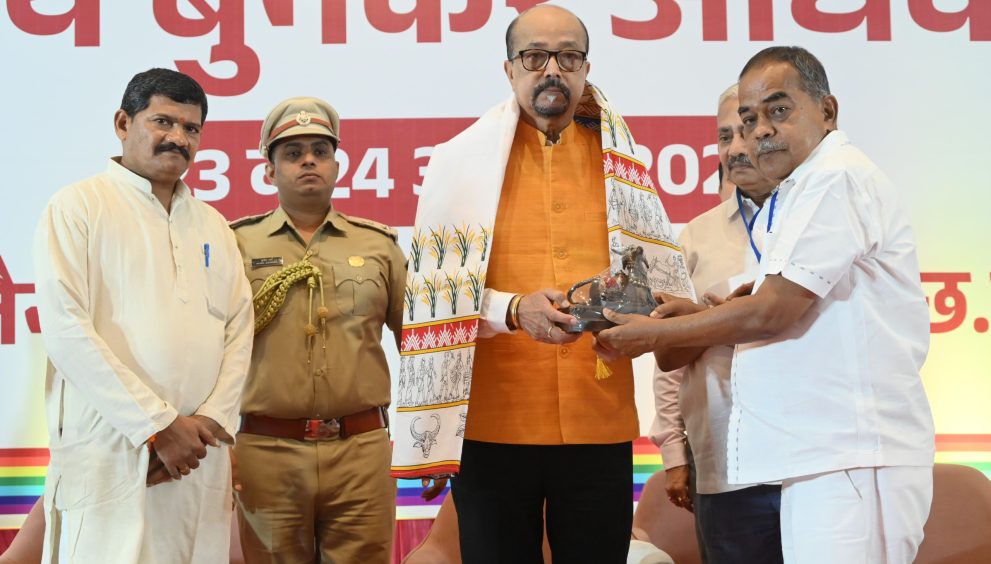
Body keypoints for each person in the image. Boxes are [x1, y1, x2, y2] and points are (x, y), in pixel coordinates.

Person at [598, 46, 935, 563]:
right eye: (749, 118)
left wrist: (654, 334)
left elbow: (772, 310)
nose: (759, 132)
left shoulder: (836, 177)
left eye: (779, 110)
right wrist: (697, 318)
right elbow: (771, 303)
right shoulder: (799, 190)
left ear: (827, 111)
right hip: (812, 457)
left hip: (853, 454)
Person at [391, 5, 692, 563]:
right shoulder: (458, 164)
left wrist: (631, 311)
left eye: (568, 57)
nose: (552, 69)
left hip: (597, 417)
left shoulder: (622, 164)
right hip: (493, 424)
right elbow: (431, 298)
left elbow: (660, 281)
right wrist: (511, 310)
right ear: (509, 69)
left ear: (586, 68)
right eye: (534, 57)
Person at [32, 68, 254, 563]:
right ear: (122, 123)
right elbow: (66, 329)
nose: (179, 138)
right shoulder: (77, 207)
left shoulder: (214, 226)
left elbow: (240, 330)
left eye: (191, 128)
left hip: (197, 457)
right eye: (163, 122)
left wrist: (209, 422)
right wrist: (157, 425)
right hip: (113, 449)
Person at [231, 97, 407, 563]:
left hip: (361, 451)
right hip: (267, 451)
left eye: (320, 151)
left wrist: (430, 440)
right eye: (293, 153)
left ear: (337, 166)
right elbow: (206, 352)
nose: (308, 160)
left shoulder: (379, 245)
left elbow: (417, 344)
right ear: (269, 170)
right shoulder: (235, 244)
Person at [650, 84, 783, 563]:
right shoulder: (695, 237)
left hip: (812, 463)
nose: (735, 148)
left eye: (745, 132)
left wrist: (712, 318)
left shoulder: (817, 223)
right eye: (724, 136)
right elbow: (667, 356)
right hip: (725, 463)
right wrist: (674, 453)